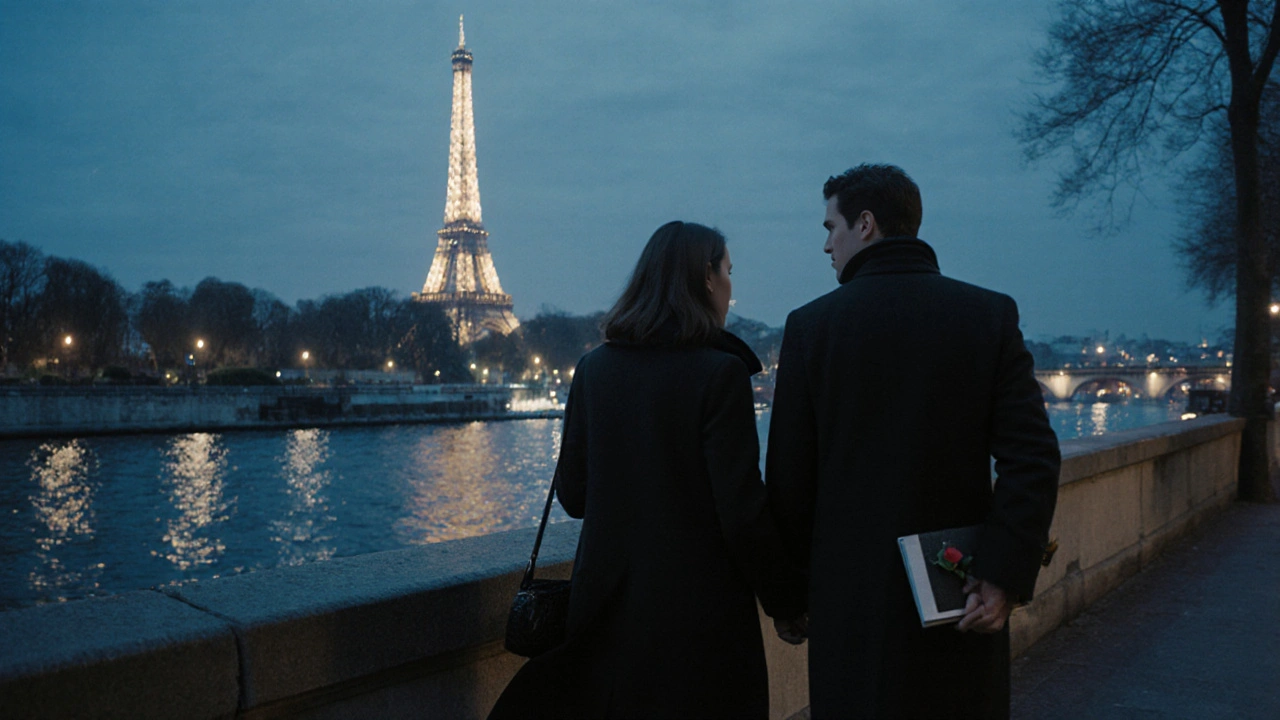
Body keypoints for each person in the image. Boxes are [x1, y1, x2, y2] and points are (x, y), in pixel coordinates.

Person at [766, 164, 1060, 719]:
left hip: (852, 606)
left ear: (867, 225)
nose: (826, 245)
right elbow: (1033, 458)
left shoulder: (811, 328)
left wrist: (788, 597)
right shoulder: (987, 315)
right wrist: (1000, 574)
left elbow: (790, 481)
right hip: (958, 593)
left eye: (831, 227)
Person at [489, 221, 804, 719]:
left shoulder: (594, 369)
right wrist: (784, 600)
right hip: (699, 619)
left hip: (605, 614)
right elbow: (742, 512)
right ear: (706, 278)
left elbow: (574, 496)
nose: (730, 285)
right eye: (727, 270)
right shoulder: (720, 373)